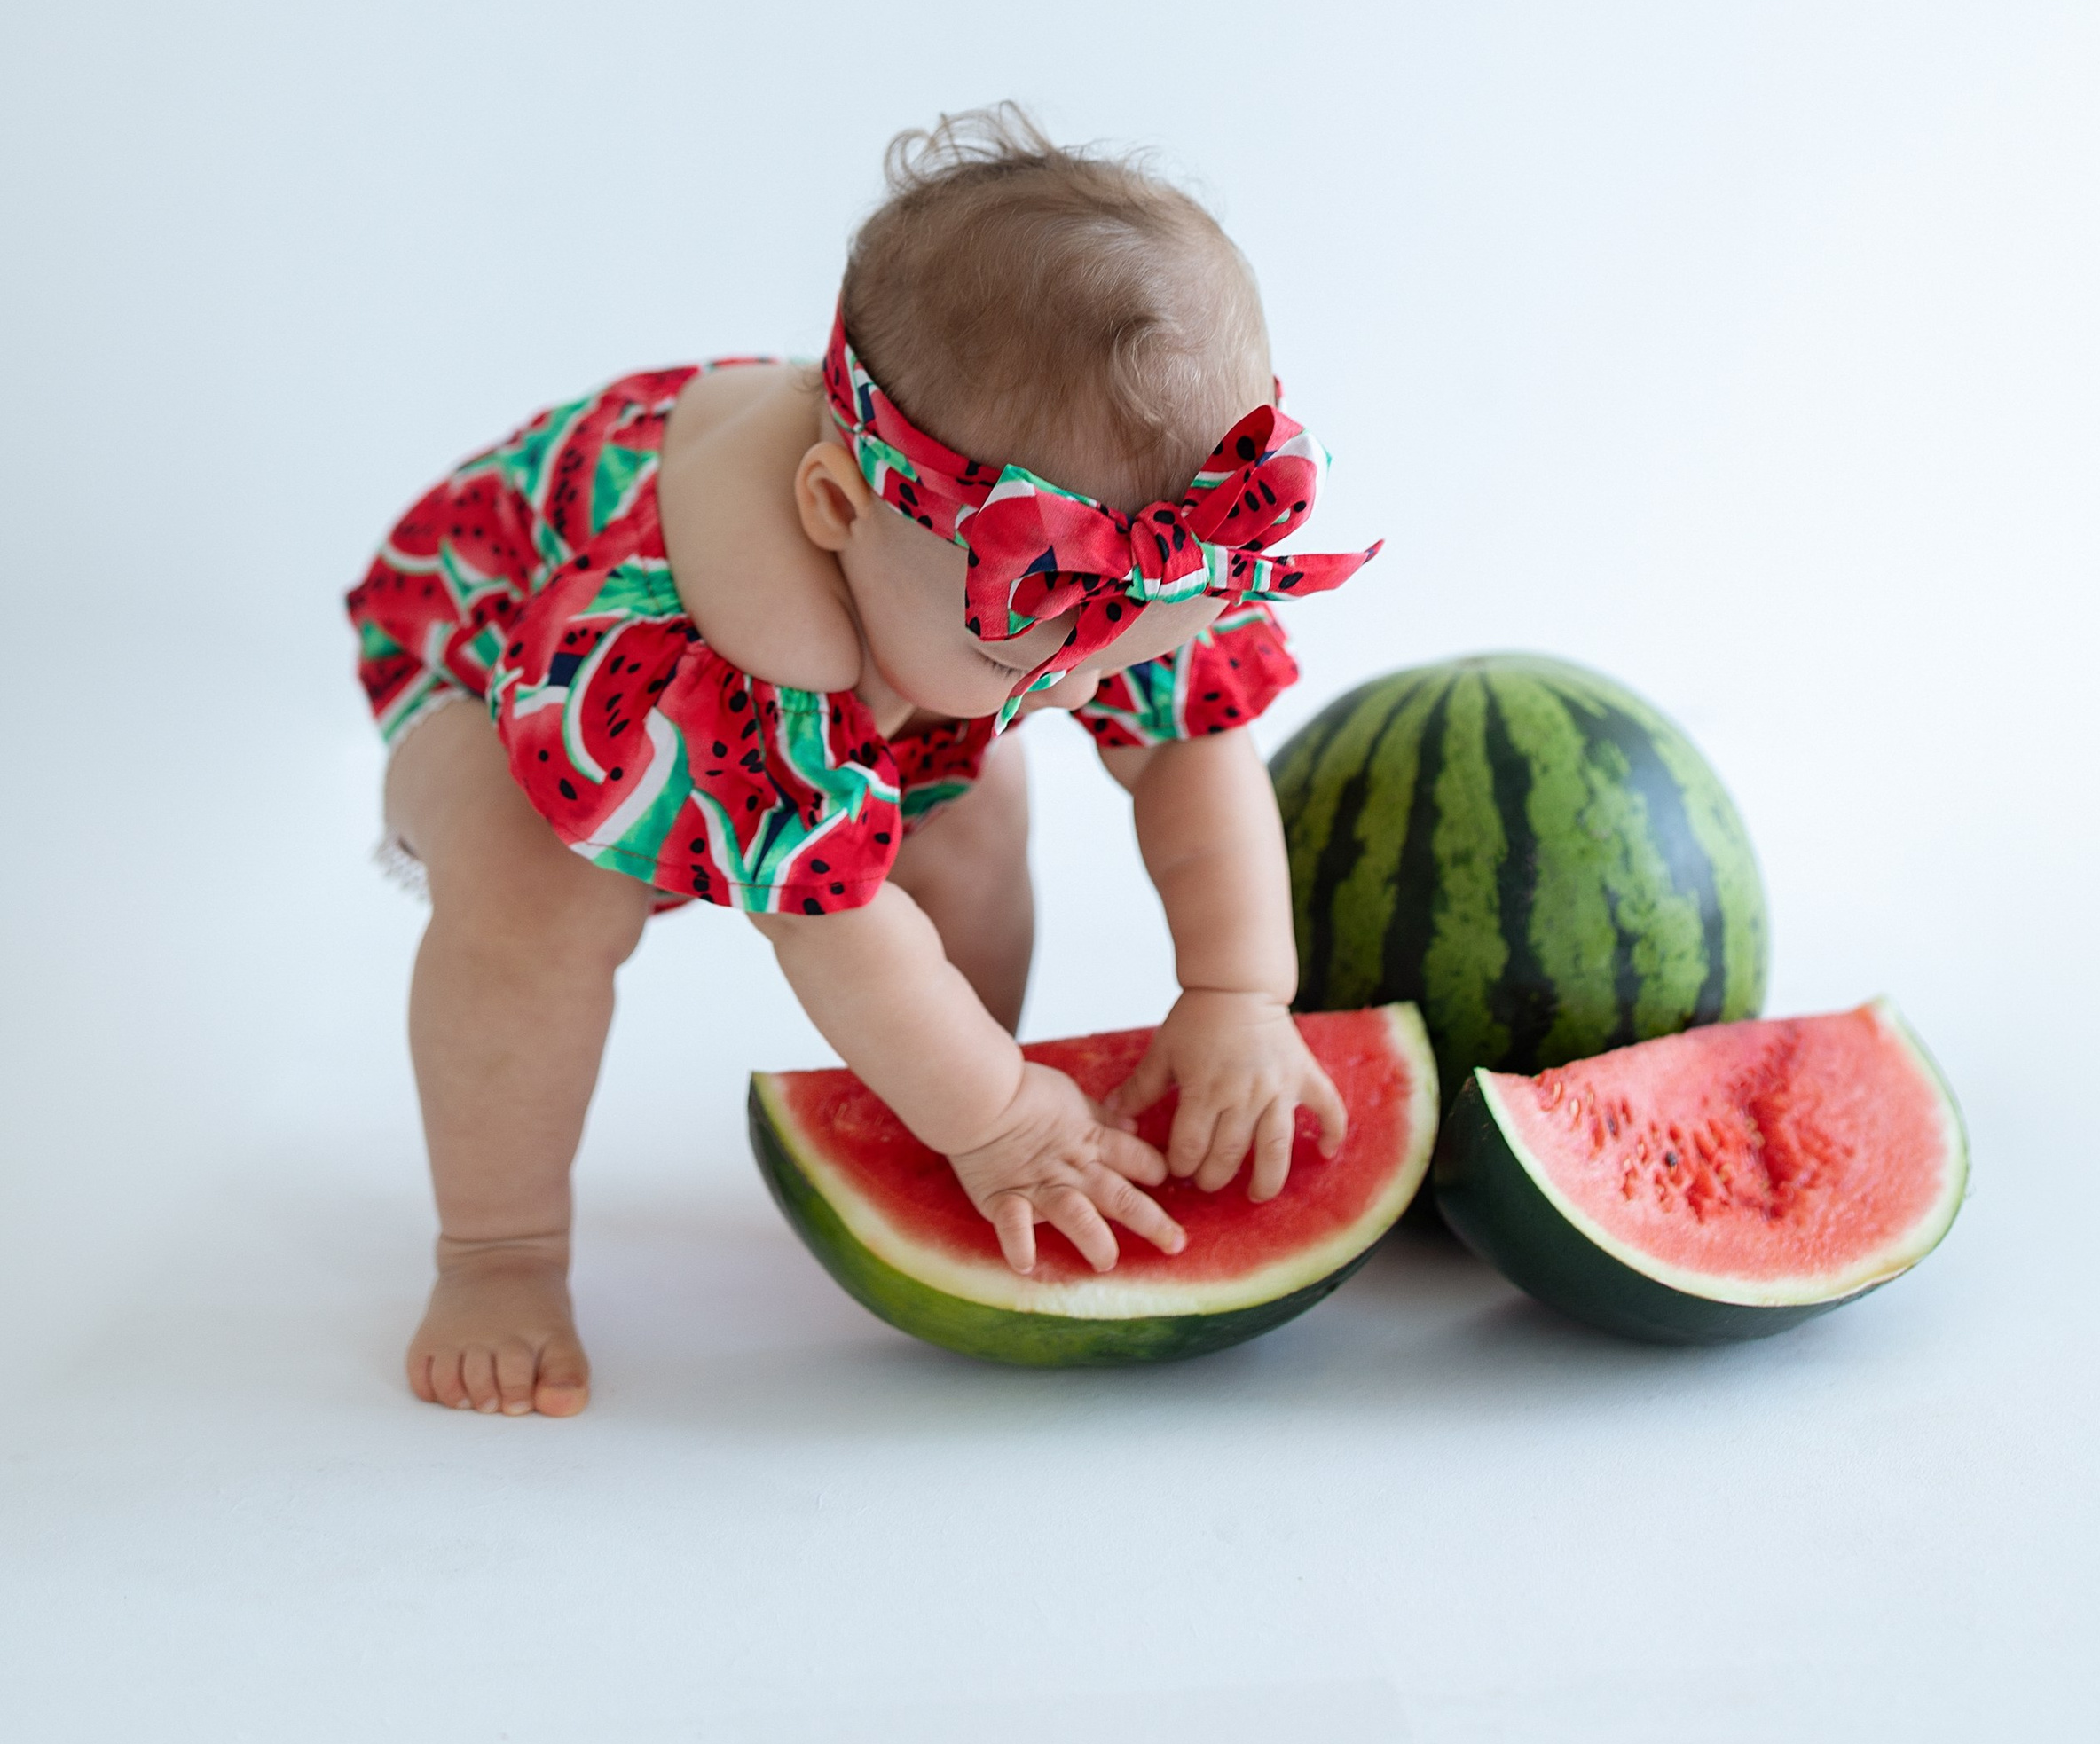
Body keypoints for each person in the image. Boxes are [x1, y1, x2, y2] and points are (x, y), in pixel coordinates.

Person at [348, 107, 1379, 1416]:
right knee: (529, 887)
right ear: (837, 509)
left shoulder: (1068, 571)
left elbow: (1194, 753)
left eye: (1120, 649)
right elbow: (828, 922)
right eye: (1034, 661)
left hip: (891, 648)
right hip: (515, 653)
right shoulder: (762, 628)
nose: (1081, 686)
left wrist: (1237, 989)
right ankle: (495, 1250)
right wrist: (1003, 1112)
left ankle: (948, 1101)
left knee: (975, 800)